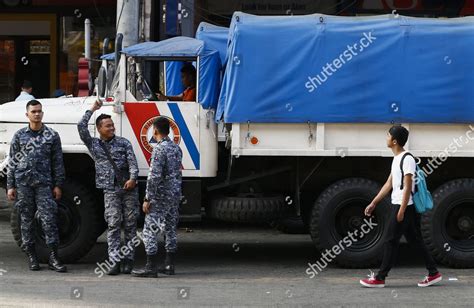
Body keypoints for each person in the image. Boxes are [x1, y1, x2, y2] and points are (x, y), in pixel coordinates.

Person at [360, 125, 442, 288]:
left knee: (390, 240)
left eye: (388, 135)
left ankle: (380, 278)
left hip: (403, 206)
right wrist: (374, 202)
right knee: (415, 240)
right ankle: (434, 273)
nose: (386, 137)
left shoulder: (407, 159)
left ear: (395, 141)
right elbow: (389, 183)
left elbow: (407, 185)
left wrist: (402, 210)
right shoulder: (397, 158)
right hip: (399, 204)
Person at [77, 99, 139, 275]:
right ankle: (114, 261)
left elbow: (132, 162)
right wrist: (92, 109)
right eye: (107, 126)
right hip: (110, 190)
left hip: (128, 189)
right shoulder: (94, 144)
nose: (111, 128)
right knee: (113, 224)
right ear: (99, 129)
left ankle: (129, 260)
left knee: (130, 225)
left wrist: (133, 178)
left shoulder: (124, 142)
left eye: (112, 125)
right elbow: (81, 127)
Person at [7, 100, 67, 272]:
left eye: (39, 111)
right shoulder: (19, 136)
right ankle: (32, 257)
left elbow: (57, 162)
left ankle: (54, 257)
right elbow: (13, 161)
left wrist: (58, 184)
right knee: (26, 220)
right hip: (23, 184)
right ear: (27, 115)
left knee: (49, 219)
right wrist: (11, 185)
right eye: (33, 111)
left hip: (44, 184)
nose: (37, 114)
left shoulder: (51, 135)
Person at [132, 117, 182, 278]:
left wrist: (147, 199)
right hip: (174, 194)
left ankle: (151, 267)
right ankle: (169, 264)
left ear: (155, 131)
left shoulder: (159, 150)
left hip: (160, 196)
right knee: (170, 228)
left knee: (149, 230)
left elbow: (154, 176)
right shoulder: (176, 148)